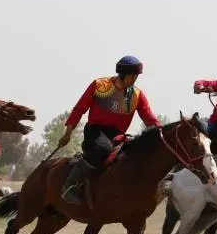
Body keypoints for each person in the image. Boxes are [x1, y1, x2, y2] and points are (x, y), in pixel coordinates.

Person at [59, 55, 162, 204]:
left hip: (117, 135)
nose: (135, 79)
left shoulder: (136, 95)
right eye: (132, 76)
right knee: (103, 149)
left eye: (136, 76)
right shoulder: (99, 85)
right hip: (95, 131)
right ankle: (69, 186)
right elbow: (79, 109)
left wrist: (163, 133)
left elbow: (149, 118)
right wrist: (67, 134)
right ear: (122, 73)